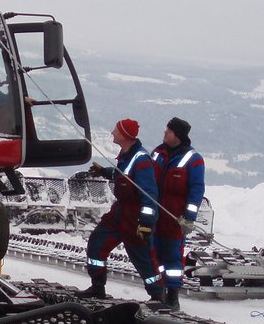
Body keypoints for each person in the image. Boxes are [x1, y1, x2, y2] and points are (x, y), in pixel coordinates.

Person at [79, 118, 162, 301]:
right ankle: (97, 287)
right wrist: (104, 172)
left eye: (115, 130)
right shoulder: (127, 156)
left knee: (142, 258)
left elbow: (148, 195)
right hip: (120, 212)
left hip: (134, 217)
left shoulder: (142, 161)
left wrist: (146, 223)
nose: (112, 133)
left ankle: (158, 296)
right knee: (97, 243)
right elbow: (122, 175)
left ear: (124, 135)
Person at [151, 117, 206, 311]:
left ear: (178, 135)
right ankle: (159, 293)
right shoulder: (158, 153)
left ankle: (172, 296)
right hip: (155, 217)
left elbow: (196, 190)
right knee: (154, 257)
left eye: (168, 131)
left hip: (175, 219)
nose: (165, 133)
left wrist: (189, 218)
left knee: (173, 258)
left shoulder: (193, 160)